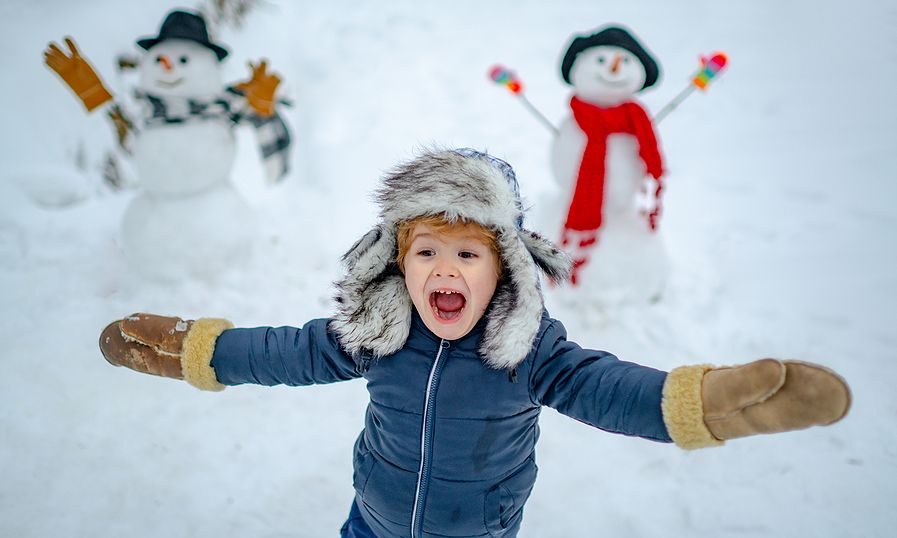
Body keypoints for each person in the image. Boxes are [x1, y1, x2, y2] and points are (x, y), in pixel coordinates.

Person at [98, 148, 850, 538]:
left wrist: (705, 405)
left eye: (468, 253)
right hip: (373, 518)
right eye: (426, 251)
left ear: (505, 266)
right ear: (399, 261)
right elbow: (285, 352)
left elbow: (611, 389)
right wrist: (197, 349)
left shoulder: (531, 354)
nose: (444, 269)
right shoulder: (376, 335)